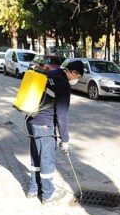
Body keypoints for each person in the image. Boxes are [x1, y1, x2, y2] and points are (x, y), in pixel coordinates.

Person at [26, 61, 84, 204]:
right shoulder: (64, 84)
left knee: (36, 158)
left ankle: (33, 190)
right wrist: (65, 139)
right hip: (45, 125)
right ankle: (47, 195)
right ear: (73, 73)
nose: (76, 80)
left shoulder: (52, 73)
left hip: (31, 120)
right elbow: (62, 114)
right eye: (78, 77)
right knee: (47, 160)